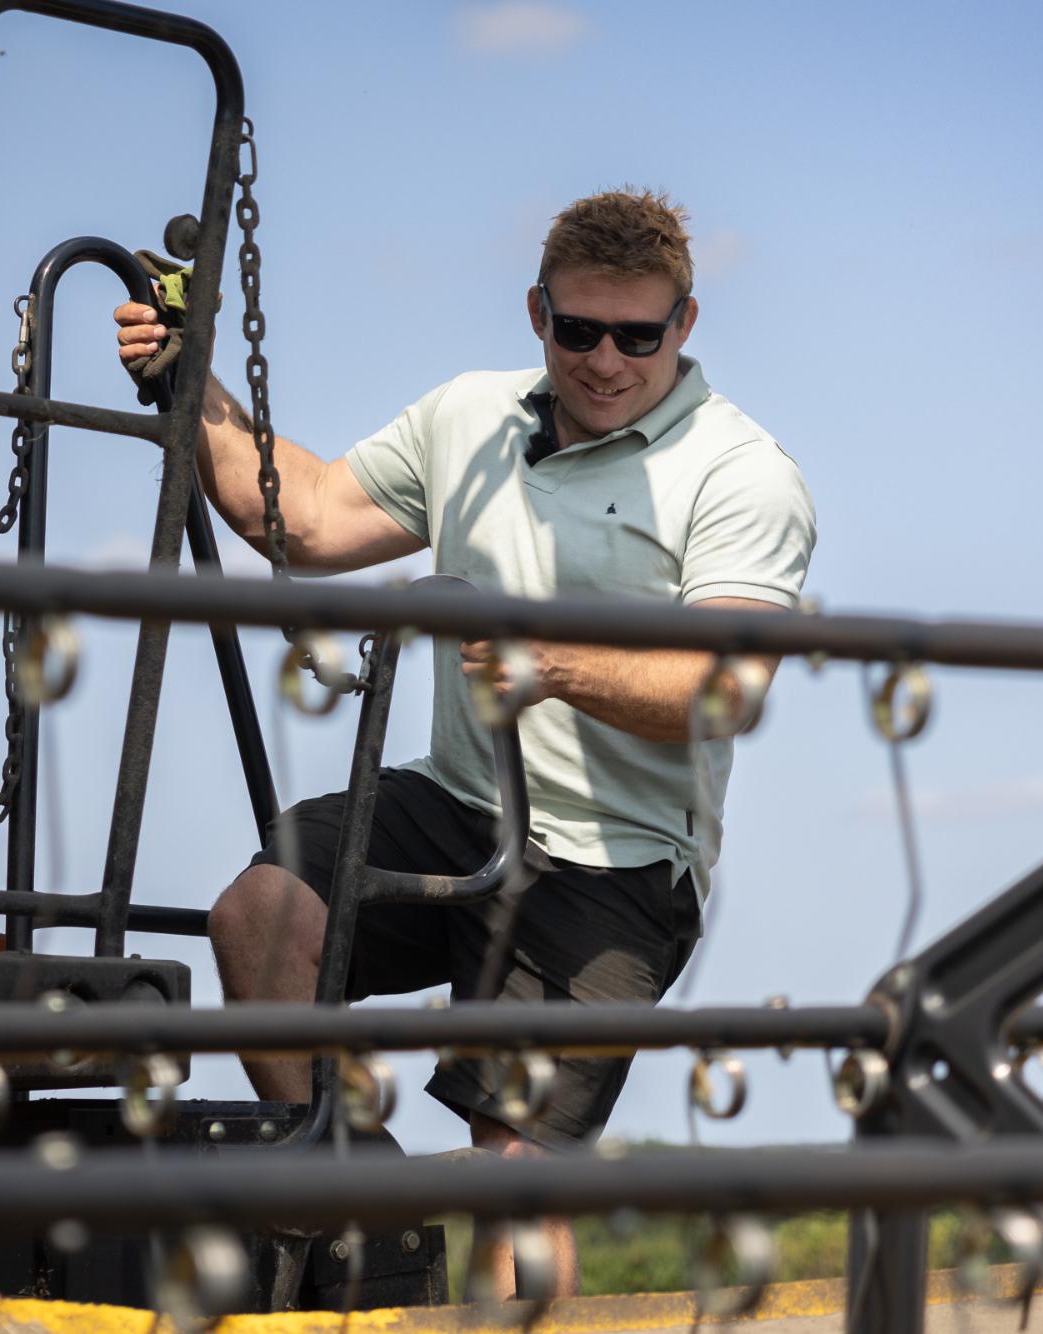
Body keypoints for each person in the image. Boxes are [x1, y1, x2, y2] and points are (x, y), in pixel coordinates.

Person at [114, 189, 815, 1295]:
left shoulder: (738, 473)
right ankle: (348, 1208)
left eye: (637, 334)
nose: (604, 359)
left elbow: (722, 690)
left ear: (685, 324)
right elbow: (304, 516)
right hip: (457, 800)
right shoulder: (468, 417)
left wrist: (555, 664)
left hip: (614, 856)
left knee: (514, 1172)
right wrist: (193, 376)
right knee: (260, 917)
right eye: (577, 329)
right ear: (535, 311)